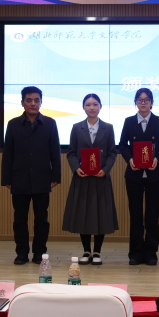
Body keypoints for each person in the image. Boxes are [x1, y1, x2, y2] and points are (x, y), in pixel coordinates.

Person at [1, 86, 62, 265]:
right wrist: (6, 179)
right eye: (29, 100)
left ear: (41, 102)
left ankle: (39, 253)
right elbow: (8, 154)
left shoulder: (50, 123)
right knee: (19, 219)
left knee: (41, 219)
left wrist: (56, 176)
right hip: (19, 179)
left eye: (36, 100)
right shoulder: (13, 124)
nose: (33, 103)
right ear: (22, 103)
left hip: (42, 178)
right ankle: (21, 253)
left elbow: (55, 152)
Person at [62, 93, 118, 265]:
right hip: (82, 178)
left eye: (95, 104)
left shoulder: (108, 128)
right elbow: (71, 152)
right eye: (88, 105)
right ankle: (86, 251)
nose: (92, 107)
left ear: (100, 106)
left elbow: (112, 153)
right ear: (83, 107)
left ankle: (97, 252)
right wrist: (76, 168)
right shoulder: (76, 127)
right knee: (83, 213)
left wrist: (105, 170)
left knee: (101, 214)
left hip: (101, 178)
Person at [119, 88, 159, 266]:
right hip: (134, 175)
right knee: (135, 214)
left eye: (146, 100)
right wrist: (129, 159)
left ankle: (151, 252)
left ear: (151, 102)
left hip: (154, 175)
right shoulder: (129, 121)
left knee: (152, 214)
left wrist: (157, 159)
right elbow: (122, 145)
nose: (143, 103)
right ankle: (135, 252)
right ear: (135, 102)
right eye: (140, 100)